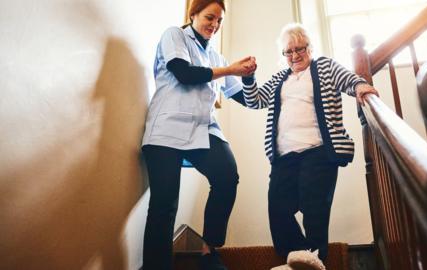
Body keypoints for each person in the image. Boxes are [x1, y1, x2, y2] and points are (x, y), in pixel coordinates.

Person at [241, 23, 378, 270]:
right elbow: (255, 101)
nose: (294, 55)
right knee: (278, 208)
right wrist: (248, 77)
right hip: (284, 155)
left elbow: (346, 78)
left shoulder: (324, 66)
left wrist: (359, 86)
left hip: (319, 151)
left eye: (299, 49)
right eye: (288, 52)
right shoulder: (279, 78)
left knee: (314, 208)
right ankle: (301, 259)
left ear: (309, 47)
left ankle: (314, 257)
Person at [141, 0, 255, 269]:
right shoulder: (175, 35)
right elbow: (183, 73)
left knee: (227, 176)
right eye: (209, 17)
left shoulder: (216, 57)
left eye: (219, 21)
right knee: (164, 205)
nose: (214, 25)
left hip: (203, 128)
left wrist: (249, 76)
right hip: (166, 130)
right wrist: (231, 70)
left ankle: (208, 250)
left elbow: (247, 99)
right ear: (193, 14)